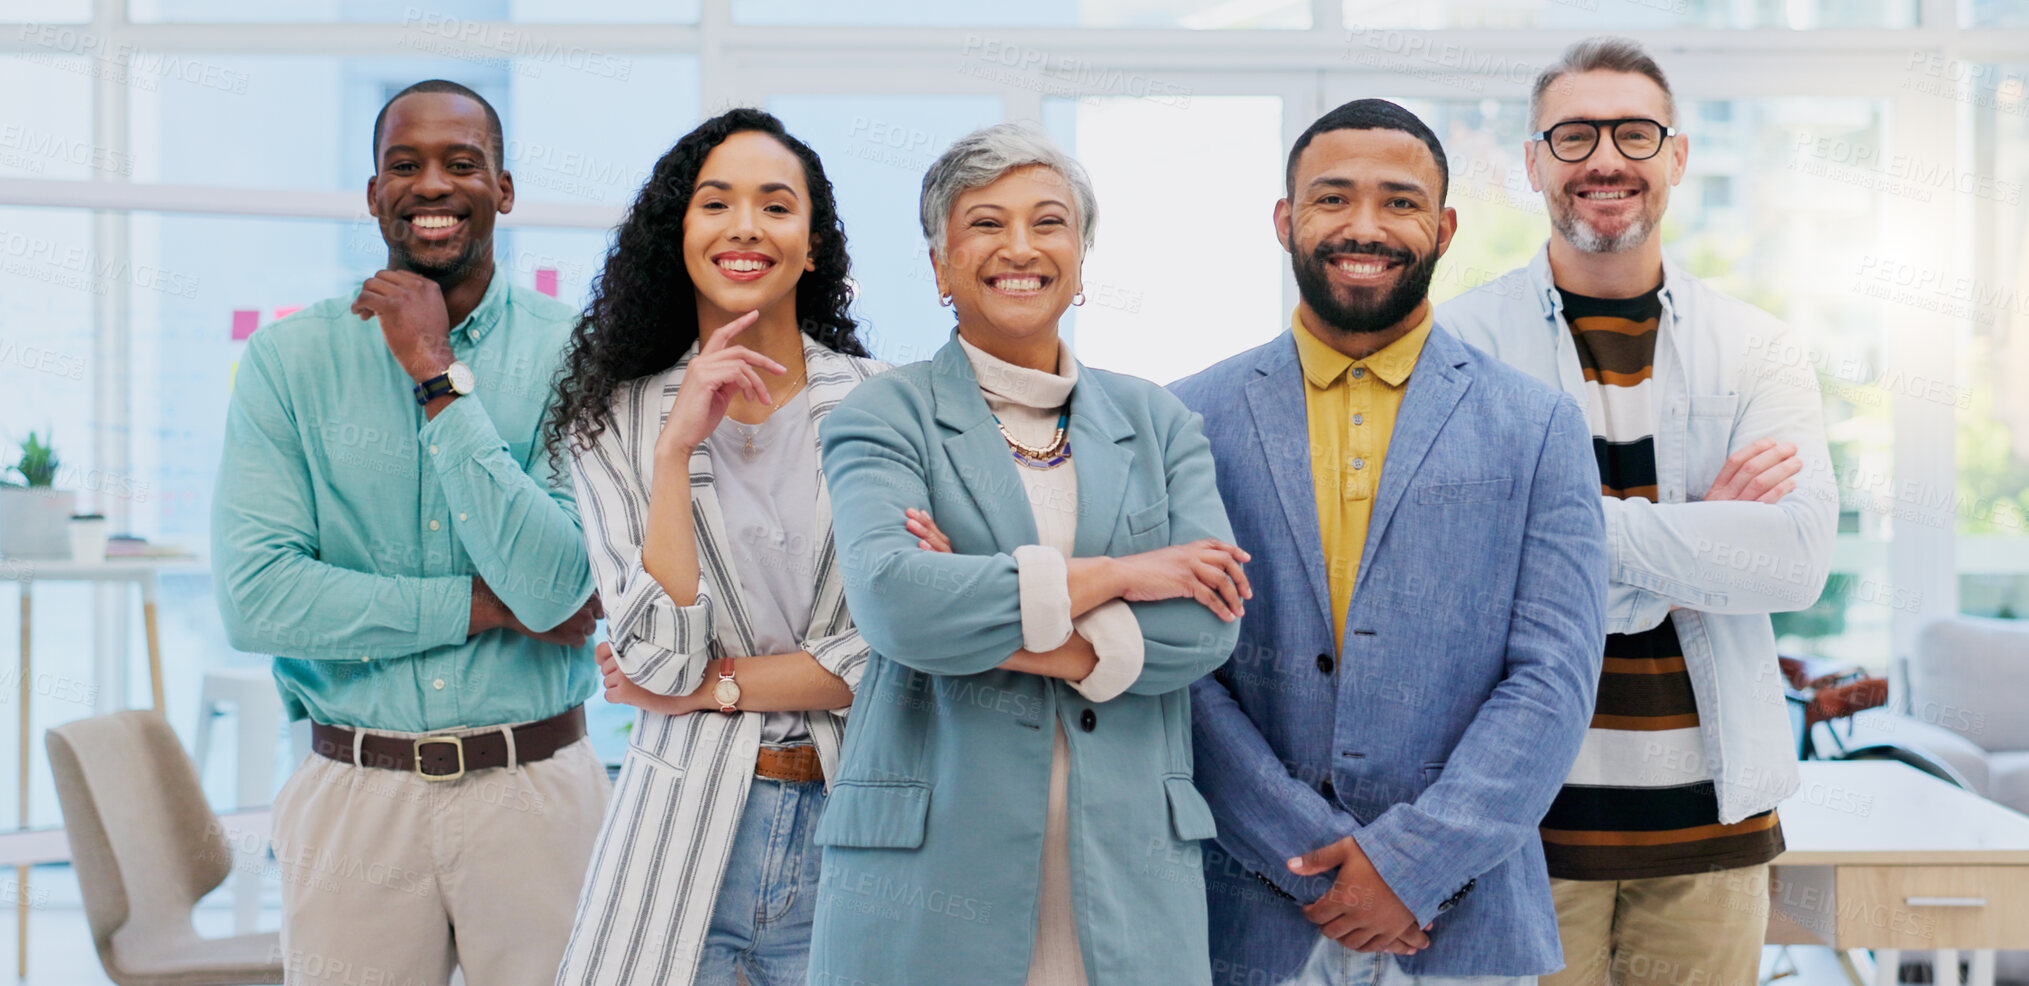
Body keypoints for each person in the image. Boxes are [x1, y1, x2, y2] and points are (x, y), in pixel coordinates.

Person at [1170, 99, 1607, 986]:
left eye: (1399, 202)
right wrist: (1309, 853)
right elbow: (1179, 671)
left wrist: (1410, 866)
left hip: (1465, 916)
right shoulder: (1185, 418)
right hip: (1242, 910)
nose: (1363, 227)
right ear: (1285, 221)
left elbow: (1553, 678)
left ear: (1443, 228)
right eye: (1332, 199)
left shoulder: (1537, 425)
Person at [809, 123, 1248, 986]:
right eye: (984, 223)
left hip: (1127, 878)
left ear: (1081, 260)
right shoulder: (881, 416)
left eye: (1048, 223)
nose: (1020, 247)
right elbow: (896, 602)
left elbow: (1204, 630)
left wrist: (973, 610)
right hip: (931, 881)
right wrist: (1122, 577)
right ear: (940, 266)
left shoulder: (1157, 421)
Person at [1439, 38, 1836, 986]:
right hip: (1519, 829)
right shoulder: (1459, 345)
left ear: (1676, 158)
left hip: (1711, 827)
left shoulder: (1757, 348)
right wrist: (1701, 534)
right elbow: (1457, 572)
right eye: (1573, 136)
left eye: (1632, 133)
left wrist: (1553, 529)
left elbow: (1792, 563)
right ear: (1534, 162)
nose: (1604, 160)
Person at [211, 79, 608, 986]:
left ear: (502, 188)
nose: (431, 184)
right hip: (355, 796)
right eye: (405, 164)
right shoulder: (289, 360)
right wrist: (480, 604)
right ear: (373, 195)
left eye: (460, 163)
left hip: (537, 790)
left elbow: (555, 590)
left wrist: (434, 371)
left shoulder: (576, 353)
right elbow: (257, 600)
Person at [545, 108, 887, 986]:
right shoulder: (613, 423)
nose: (744, 227)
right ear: (680, 236)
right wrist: (674, 452)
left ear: (811, 245)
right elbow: (653, 665)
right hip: (682, 838)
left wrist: (714, 684)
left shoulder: (891, 407)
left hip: (857, 824)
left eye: (776, 206)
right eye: (715, 204)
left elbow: (898, 648)